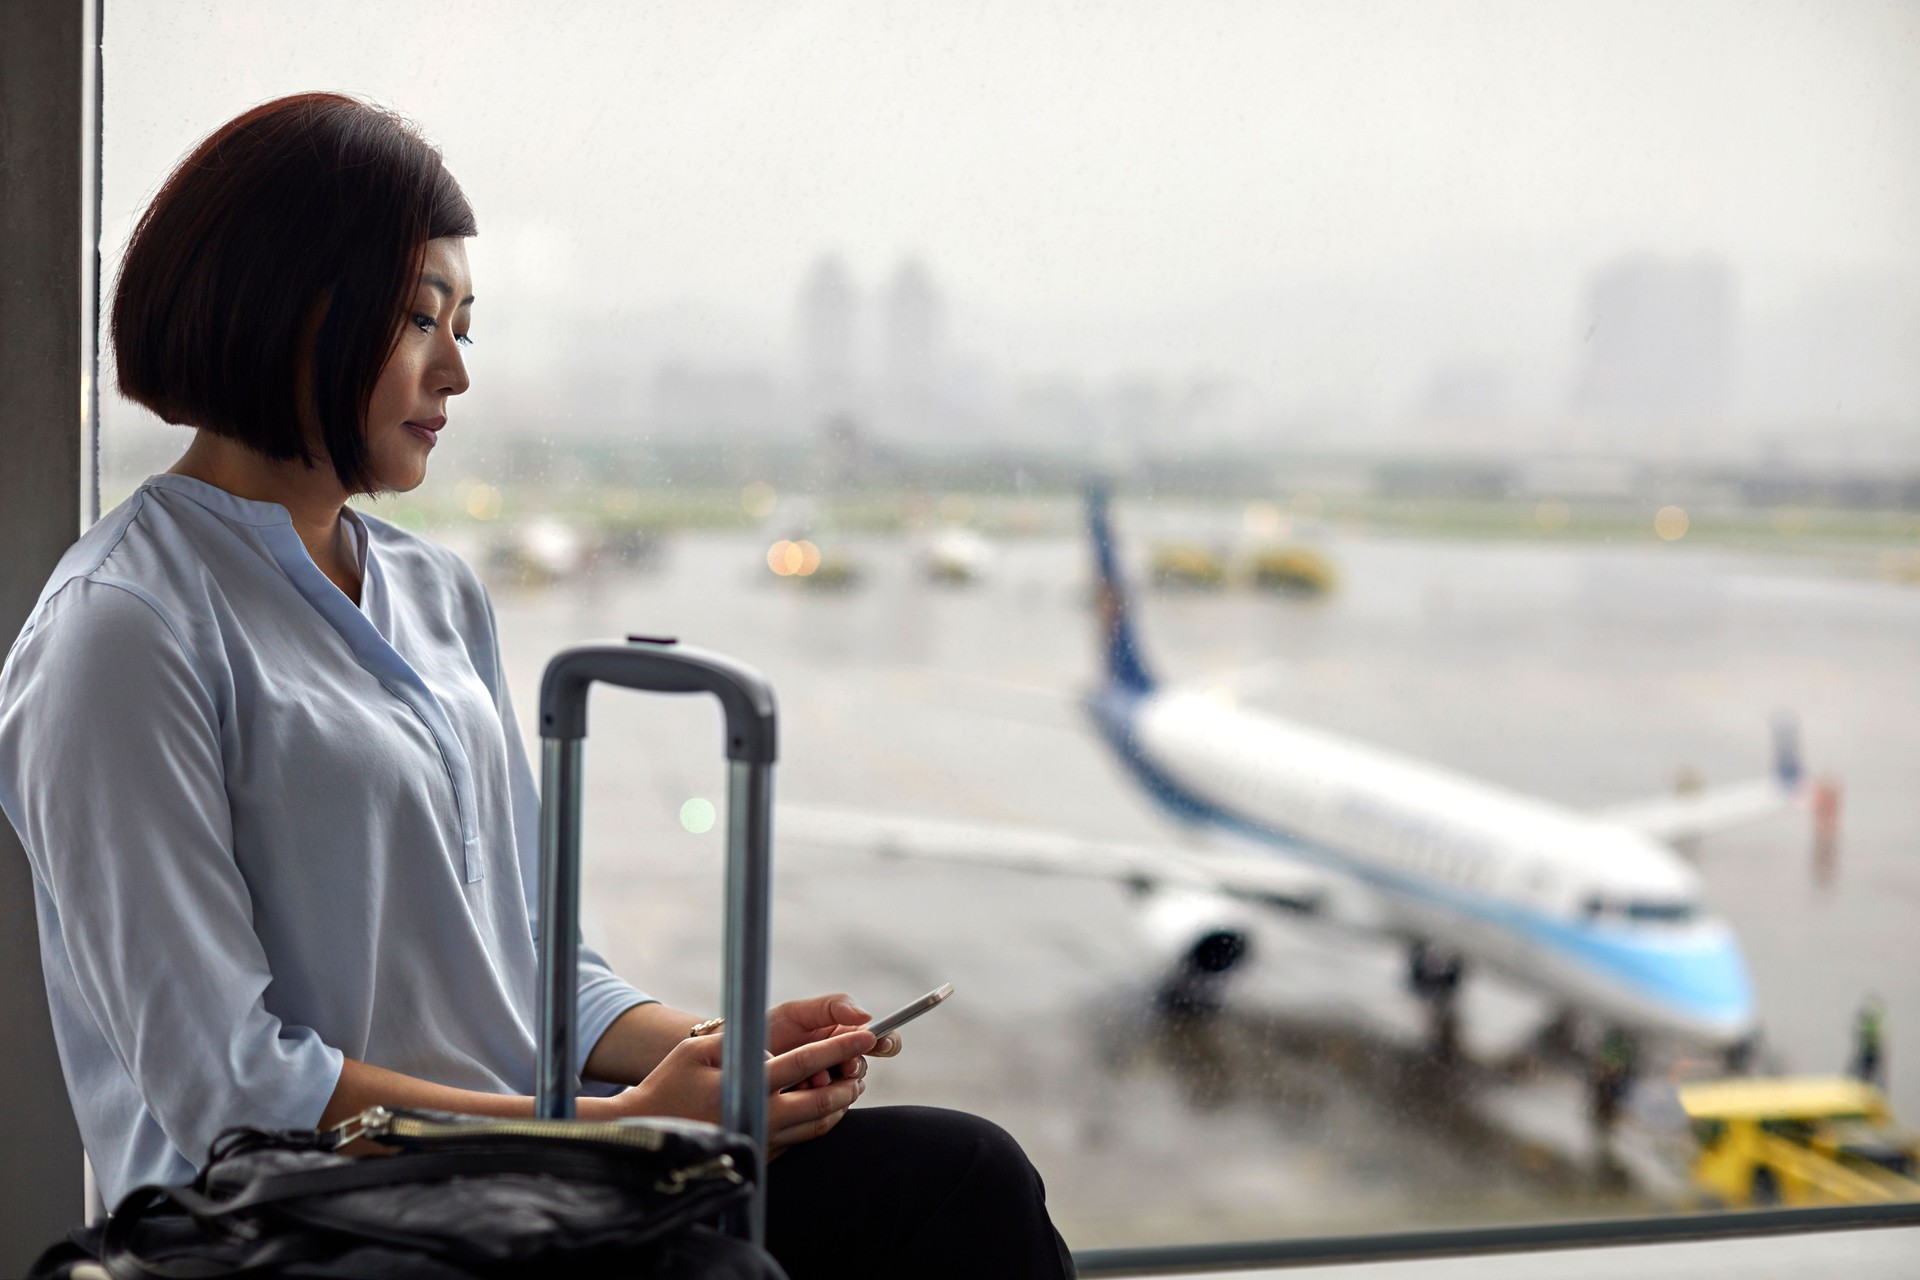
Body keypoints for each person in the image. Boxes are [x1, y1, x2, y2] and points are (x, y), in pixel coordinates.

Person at [0, 92, 1072, 1280]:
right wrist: (615, 1130)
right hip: (305, 1228)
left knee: (968, 1177)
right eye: (419, 319)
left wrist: (717, 1055)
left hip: (532, 1184)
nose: (456, 370)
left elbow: (534, 954)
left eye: (466, 323)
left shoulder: (433, 590)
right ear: (286, 311)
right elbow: (234, 1093)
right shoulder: (122, 631)